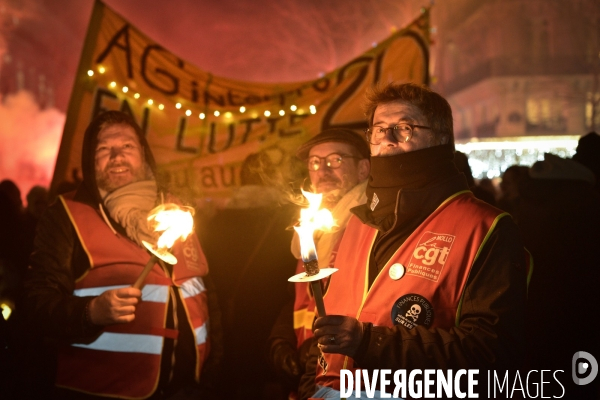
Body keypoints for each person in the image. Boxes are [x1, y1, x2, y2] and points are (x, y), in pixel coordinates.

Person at [300, 83, 529, 399]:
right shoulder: (355, 221)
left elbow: (491, 351)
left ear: (441, 139)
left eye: (404, 129)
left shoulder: (486, 227)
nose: (388, 139)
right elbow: (327, 325)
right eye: (379, 130)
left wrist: (371, 342)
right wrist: (309, 387)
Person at [21, 110, 219, 399]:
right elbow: (36, 302)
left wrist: (212, 373)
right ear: (91, 160)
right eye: (103, 149)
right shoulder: (66, 214)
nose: (116, 156)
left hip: (189, 391)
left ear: (143, 153)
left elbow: (205, 293)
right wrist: (90, 312)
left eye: (127, 146)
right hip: (102, 392)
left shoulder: (175, 211)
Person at [267, 129, 370, 398]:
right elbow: (300, 296)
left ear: (363, 169)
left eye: (336, 160)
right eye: (315, 162)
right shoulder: (313, 227)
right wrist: (282, 340)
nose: (323, 170)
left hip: (342, 375)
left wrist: (315, 368)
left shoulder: (369, 224)